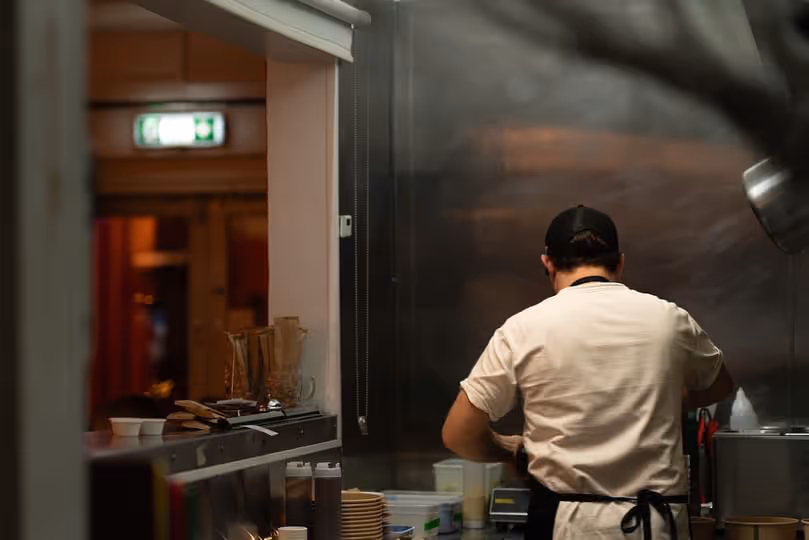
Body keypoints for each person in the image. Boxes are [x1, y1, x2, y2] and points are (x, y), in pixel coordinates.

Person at [442, 205, 734, 540]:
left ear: (547, 264)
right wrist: (657, 399)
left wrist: (509, 450)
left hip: (567, 524)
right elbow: (719, 386)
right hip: (658, 524)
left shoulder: (523, 329)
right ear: (620, 263)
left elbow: (458, 434)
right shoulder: (669, 320)